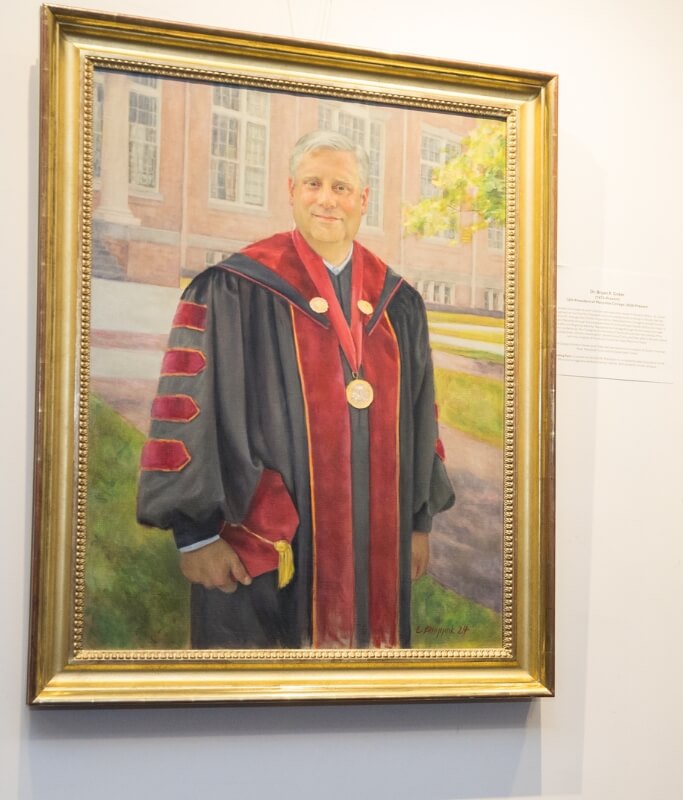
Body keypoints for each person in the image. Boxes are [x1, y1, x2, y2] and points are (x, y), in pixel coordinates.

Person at [138, 130, 455, 649]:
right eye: (313, 183)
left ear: (364, 200)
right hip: (262, 546)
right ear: (290, 189)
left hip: (375, 549)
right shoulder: (233, 288)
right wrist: (194, 534)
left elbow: (422, 420)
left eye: (342, 187)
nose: (327, 199)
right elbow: (186, 411)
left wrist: (419, 523)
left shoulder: (400, 303)